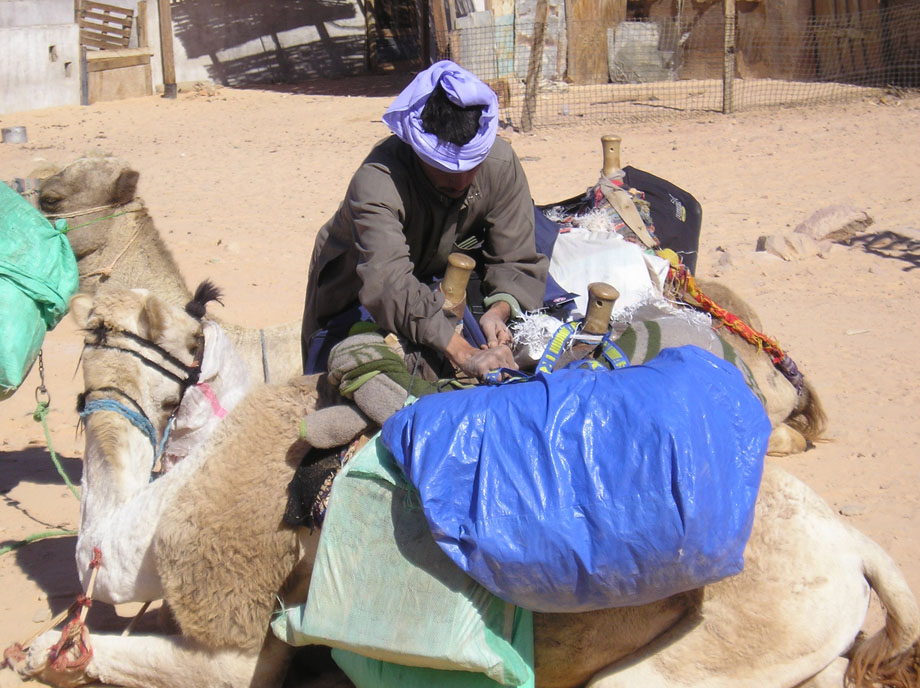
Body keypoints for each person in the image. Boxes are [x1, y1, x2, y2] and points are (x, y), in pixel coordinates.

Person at [301, 60, 549, 380]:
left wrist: (498, 311)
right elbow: (388, 284)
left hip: (434, 278)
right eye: (444, 168)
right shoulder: (377, 181)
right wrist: (465, 353)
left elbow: (515, 256)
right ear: (417, 148)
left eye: (470, 168)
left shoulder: (500, 164)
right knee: (342, 375)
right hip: (355, 289)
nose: (460, 181)